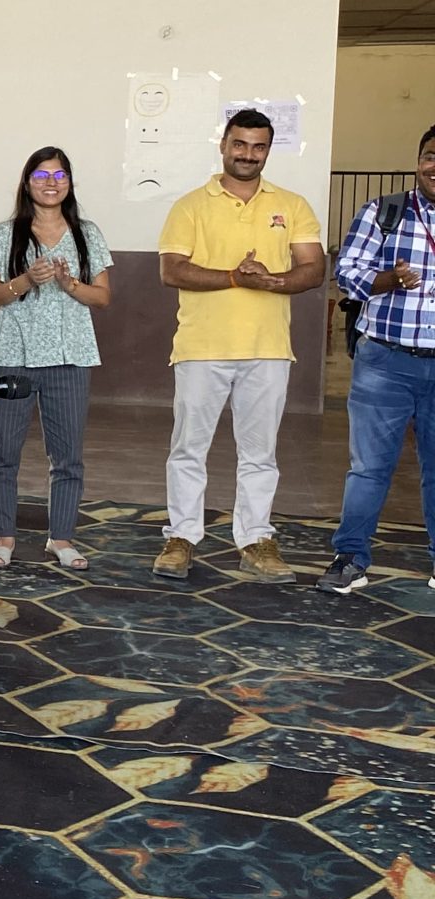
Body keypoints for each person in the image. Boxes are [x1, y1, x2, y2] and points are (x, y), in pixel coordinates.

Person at [153, 110, 325, 583]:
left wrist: (273, 281)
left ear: (268, 150)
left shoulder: (291, 205)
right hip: (200, 348)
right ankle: (181, 537)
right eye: (240, 144)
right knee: (189, 447)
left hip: (268, 349)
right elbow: (172, 270)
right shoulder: (189, 205)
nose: (248, 154)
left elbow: (313, 268)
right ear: (223, 144)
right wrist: (234, 276)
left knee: (260, 452)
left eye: (258, 146)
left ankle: (255, 540)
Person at [0, 149, 113, 569]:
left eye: (59, 174)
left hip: (69, 357)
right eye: (41, 174)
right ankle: (3, 536)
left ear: (69, 182)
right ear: (27, 181)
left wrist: (70, 284)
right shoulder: (7, 233)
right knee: (3, 453)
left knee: (67, 455)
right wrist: (25, 281)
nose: (51, 182)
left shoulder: (86, 233)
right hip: (10, 355)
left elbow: (103, 297)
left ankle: (62, 537)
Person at [317, 127, 435, 594]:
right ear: (418, 160)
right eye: (429, 156)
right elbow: (347, 273)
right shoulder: (384, 212)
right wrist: (389, 278)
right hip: (385, 362)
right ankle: (350, 559)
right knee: (369, 467)